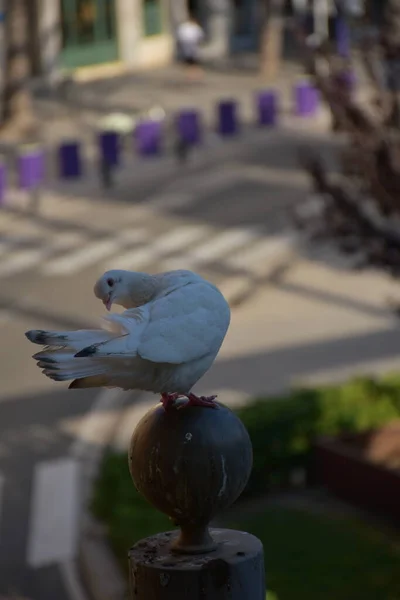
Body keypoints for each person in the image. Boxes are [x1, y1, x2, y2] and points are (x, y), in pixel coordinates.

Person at [176, 16, 205, 81]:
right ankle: (192, 73)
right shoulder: (190, 27)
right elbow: (200, 36)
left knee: (193, 59)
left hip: (190, 43)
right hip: (189, 43)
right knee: (190, 59)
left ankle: (193, 73)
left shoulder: (190, 27)